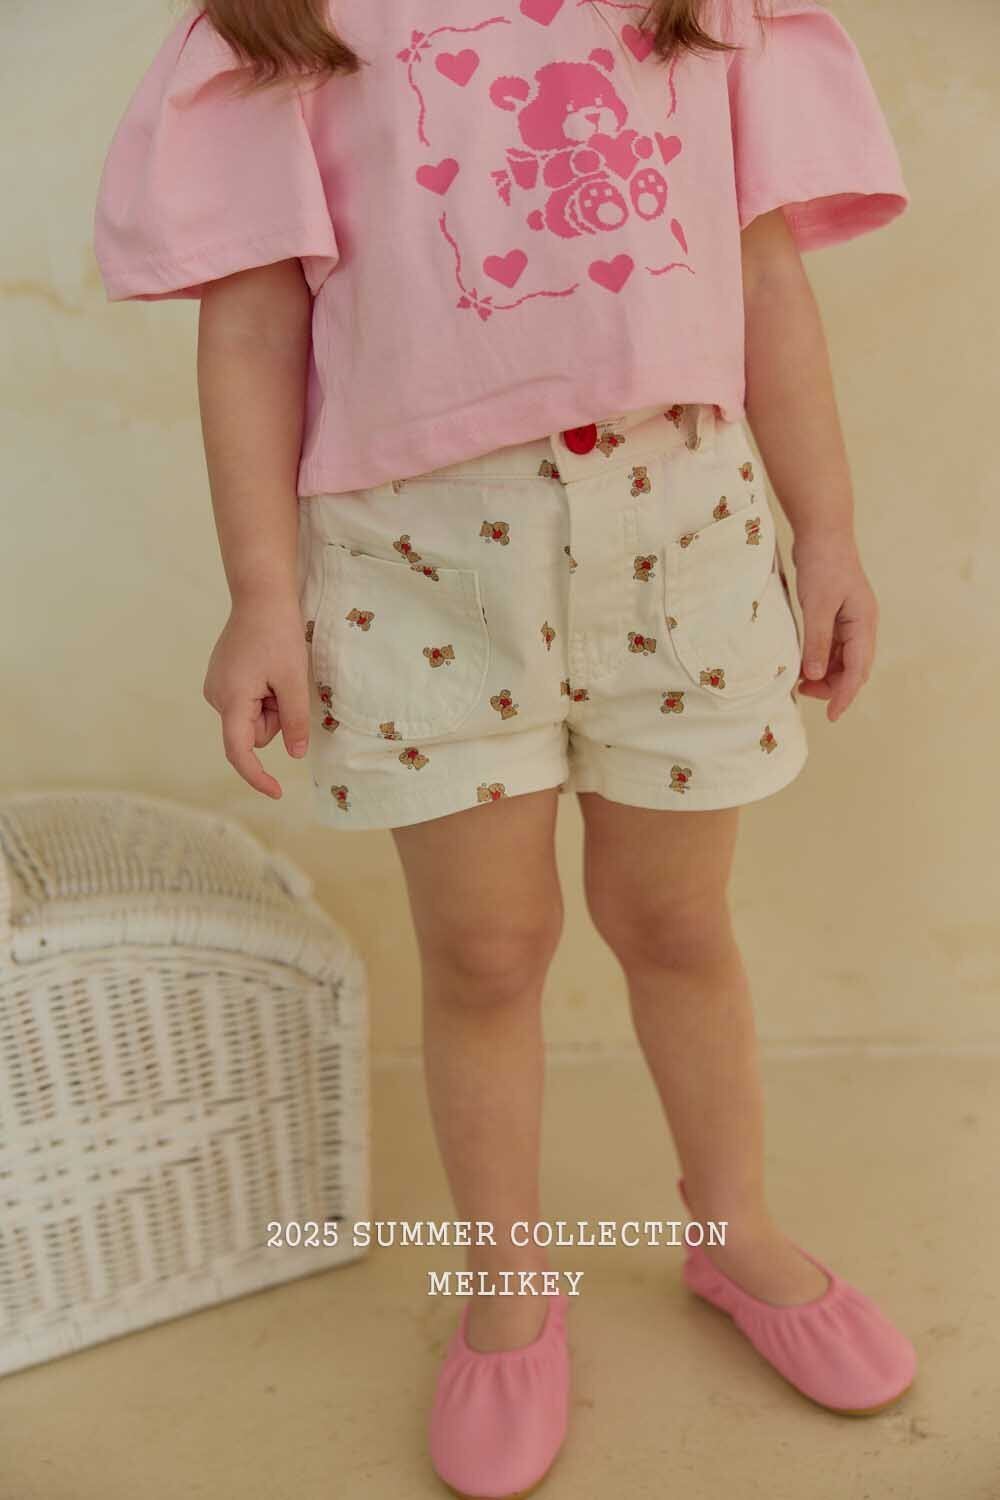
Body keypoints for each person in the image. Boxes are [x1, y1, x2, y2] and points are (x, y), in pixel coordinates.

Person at [93, 0, 917, 1493]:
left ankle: (733, 1229)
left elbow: (760, 267)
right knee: (483, 951)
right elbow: (256, 319)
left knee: (677, 923)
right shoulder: (291, 25)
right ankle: (508, 1284)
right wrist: (263, 598)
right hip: (417, 563)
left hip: (684, 534)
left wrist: (833, 531)